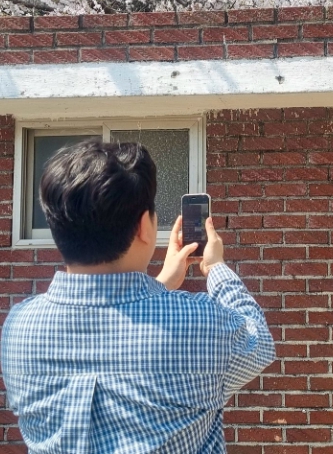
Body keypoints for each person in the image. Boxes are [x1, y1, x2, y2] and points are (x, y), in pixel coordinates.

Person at [1, 141, 275, 453]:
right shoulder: (201, 323)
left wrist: (162, 283)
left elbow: (110, 332)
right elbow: (258, 341)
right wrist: (215, 268)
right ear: (144, 226)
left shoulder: (18, 327)